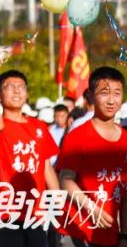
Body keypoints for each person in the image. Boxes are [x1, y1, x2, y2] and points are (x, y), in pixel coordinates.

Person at [0, 59, 58, 247]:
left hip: (35, 213)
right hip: (5, 213)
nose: (16, 91)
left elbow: (46, 168)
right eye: (9, 87)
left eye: (21, 87)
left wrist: (57, 202)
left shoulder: (39, 126)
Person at [56, 66, 127, 247]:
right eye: (104, 93)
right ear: (92, 95)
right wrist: (91, 208)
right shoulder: (77, 136)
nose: (111, 100)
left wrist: (124, 236)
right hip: (75, 231)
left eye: (117, 93)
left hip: (109, 234)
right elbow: (65, 179)